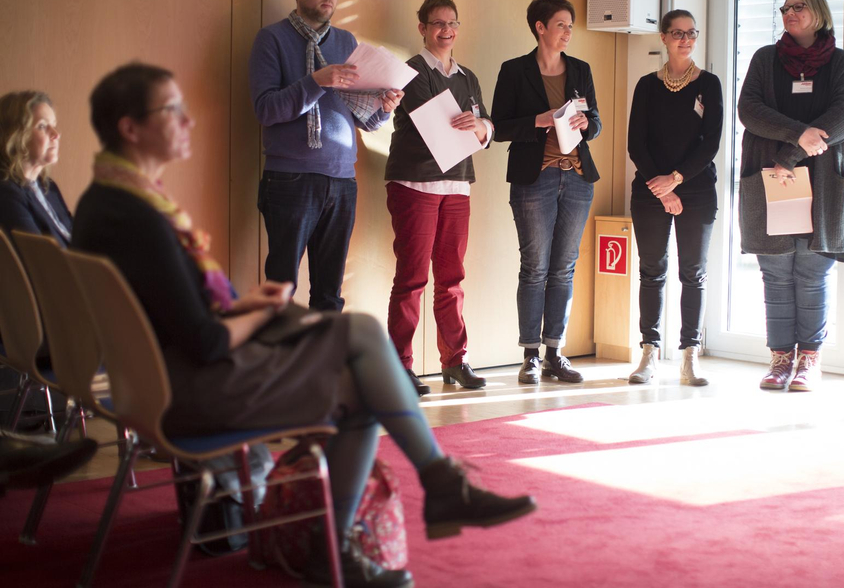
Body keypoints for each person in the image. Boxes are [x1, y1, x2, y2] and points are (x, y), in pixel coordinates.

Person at [73, 63, 535, 588]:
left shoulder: (108, 202)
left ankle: (419, 496)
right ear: (131, 128)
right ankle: (401, 506)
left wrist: (250, 305)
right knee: (360, 368)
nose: (188, 120)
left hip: (157, 383)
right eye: (171, 109)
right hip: (188, 393)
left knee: (358, 351)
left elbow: (175, 318)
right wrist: (257, 312)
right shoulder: (135, 218)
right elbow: (205, 341)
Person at [248, 0, 404, 311]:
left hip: (342, 180)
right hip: (289, 179)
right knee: (280, 291)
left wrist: (383, 108)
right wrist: (316, 81)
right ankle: (279, 350)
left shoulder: (346, 42)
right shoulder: (271, 39)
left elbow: (361, 117)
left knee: (330, 295)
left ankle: (324, 351)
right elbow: (266, 109)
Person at [737, 0, 844, 392]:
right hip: (771, 178)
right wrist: (798, 135)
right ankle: (779, 360)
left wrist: (791, 154)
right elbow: (749, 110)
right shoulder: (765, 59)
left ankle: (809, 359)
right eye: (785, 8)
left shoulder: (841, 62)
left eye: (798, 6)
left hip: (823, 183)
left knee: (811, 272)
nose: (789, 12)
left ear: (819, 13)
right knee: (775, 272)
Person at [384, 0, 492, 395]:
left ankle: (455, 361)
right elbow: (434, 123)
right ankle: (400, 366)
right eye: (438, 24)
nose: (446, 30)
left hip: (457, 185)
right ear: (423, 29)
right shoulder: (410, 72)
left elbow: (485, 128)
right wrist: (471, 124)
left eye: (452, 23)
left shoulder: (468, 77)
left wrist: (480, 126)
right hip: (416, 184)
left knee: (452, 279)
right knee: (412, 279)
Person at [492, 0, 601, 385]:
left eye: (570, 25)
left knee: (564, 268)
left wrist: (588, 125)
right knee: (535, 267)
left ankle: (555, 352)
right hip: (534, 179)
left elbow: (595, 121)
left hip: (577, 178)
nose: (568, 32)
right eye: (561, 25)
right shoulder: (514, 70)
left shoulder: (581, 69)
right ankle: (530, 356)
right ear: (540, 28)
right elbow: (498, 127)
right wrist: (537, 121)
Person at [626, 10, 723, 385]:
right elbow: (637, 143)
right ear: (664, 38)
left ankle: (689, 357)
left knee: (693, 274)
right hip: (651, 189)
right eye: (678, 33)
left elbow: (710, 143)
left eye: (691, 33)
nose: (685, 39)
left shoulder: (709, 85)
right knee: (652, 272)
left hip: (696, 189)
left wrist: (676, 180)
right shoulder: (647, 86)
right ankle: (649, 354)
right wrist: (661, 187)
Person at [0, 91, 73, 245]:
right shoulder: (7, 194)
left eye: (53, 125)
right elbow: (40, 255)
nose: (56, 134)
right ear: (16, 136)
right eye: (42, 126)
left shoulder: (48, 186)